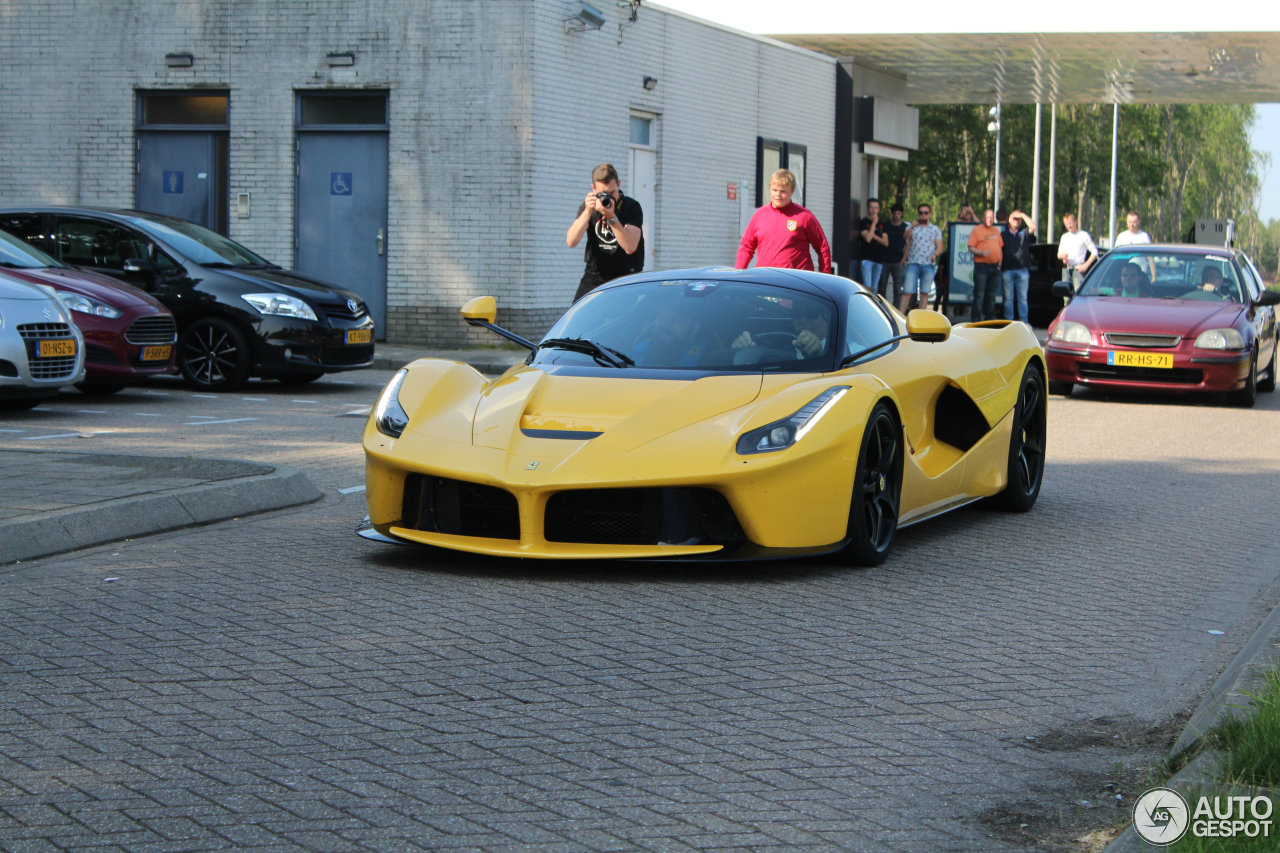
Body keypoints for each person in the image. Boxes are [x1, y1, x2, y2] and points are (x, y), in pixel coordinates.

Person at [566, 163, 644, 302]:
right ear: (593, 188)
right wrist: (588, 212)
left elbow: (630, 246)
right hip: (595, 276)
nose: (608, 199)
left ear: (619, 184)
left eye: (612, 193)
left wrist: (612, 217)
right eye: (603, 194)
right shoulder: (588, 207)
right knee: (576, 317)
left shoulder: (631, 207)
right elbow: (571, 241)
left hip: (625, 278)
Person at [736, 169, 832, 274]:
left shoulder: (804, 216)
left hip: (797, 282)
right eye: (774, 190)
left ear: (792, 191)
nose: (778, 195)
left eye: (783, 191)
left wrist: (824, 277)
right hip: (766, 279)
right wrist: (738, 274)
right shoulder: (759, 215)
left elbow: (823, 249)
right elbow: (746, 248)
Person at [900, 204, 943, 313]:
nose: (923, 215)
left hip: (928, 264)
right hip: (913, 263)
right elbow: (905, 237)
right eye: (921, 213)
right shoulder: (911, 226)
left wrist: (935, 255)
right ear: (918, 214)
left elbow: (940, 246)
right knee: (907, 291)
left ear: (930, 214)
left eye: (926, 213)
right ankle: (900, 316)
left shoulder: (935, 229)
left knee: (925, 292)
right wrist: (913, 226)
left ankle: (921, 317)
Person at [999, 209, 1037, 323]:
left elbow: (1033, 227)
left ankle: (1024, 323)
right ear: (1009, 220)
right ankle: (1008, 323)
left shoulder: (1024, 233)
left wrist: (1022, 214)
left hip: (1022, 270)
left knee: (1023, 299)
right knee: (1008, 299)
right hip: (1007, 270)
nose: (1017, 221)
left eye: (1019, 219)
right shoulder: (1003, 233)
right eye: (1014, 219)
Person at [967, 207, 1003, 322]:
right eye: (988, 217)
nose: (990, 219)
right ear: (983, 218)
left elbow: (1000, 248)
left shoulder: (996, 231)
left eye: (992, 217)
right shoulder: (977, 230)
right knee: (979, 295)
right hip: (982, 267)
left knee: (991, 295)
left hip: (995, 267)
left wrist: (999, 264)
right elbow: (970, 247)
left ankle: (989, 319)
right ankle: (976, 319)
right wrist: (981, 253)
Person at [1057, 213, 1099, 291]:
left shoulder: (1083, 235)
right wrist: (1063, 256)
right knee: (1066, 295)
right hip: (1067, 269)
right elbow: (1058, 255)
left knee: (1078, 293)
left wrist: (1085, 266)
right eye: (1066, 224)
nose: (1069, 226)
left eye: (1070, 223)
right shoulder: (1064, 237)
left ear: (1075, 222)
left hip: (1079, 269)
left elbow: (1095, 252)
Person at [858, 198, 889, 293]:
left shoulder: (883, 224)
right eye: (871, 207)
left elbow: (886, 242)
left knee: (874, 288)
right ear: (868, 208)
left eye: (875, 208)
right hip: (866, 259)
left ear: (879, 209)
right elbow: (867, 239)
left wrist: (873, 235)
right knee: (868, 287)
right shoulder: (864, 222)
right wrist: (874, 223)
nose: (873, 210)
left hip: (878, 260)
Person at [879, 203, 908, 303]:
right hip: (885, 260)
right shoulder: (886, 225)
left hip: (898, 261)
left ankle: (897, 311)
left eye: (898, 213)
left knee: (898, 289)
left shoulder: (905, 227)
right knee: (881, 288)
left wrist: (904, 259)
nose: (896, 215)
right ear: (891, 214)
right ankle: (883, 308)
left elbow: (908, 244)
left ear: (902, 214)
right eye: (894, 213)